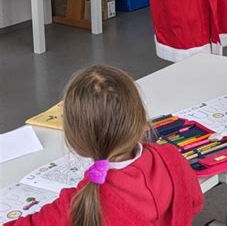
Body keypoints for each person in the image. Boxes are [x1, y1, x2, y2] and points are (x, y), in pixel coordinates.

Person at [6, 65, 203, 226]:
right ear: (142, 120)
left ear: (75, 139)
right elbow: (194, 202)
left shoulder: (80, 204)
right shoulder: (171, 157)